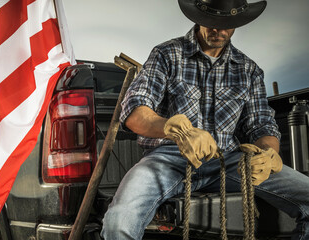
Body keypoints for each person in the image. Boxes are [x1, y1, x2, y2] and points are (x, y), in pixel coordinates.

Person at [101, 0, 309, 239]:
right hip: (168, 161)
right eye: (211, 22)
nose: (218, 30)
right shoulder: (167, 54)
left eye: (226, 24)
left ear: (237, 23)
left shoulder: (249, 70)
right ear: (197, 16)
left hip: (230, 161)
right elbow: (134, 110)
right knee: (119, 221)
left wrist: (268, 154)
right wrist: (172, 129)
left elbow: (262, 124)